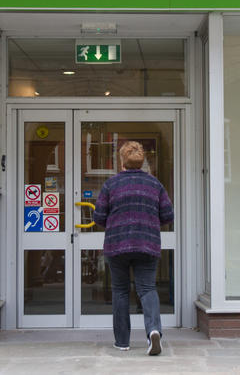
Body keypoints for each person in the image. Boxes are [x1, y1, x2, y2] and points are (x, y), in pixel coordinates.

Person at [94, 141, 174, 355]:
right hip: (147, 243)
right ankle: (154, 331)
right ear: (142, 161)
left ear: (122, 161)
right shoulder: (155, 184)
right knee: (147, 289)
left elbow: (99, 217)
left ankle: (122, 342)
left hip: (117, 245)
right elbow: (168, 216)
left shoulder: (110, 185)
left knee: (120, 291)